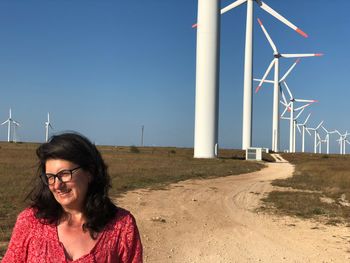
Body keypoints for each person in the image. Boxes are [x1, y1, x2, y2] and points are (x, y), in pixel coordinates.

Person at [2, 132, 143, 262]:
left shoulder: (123, 227)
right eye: (50, 177)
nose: (57, 185)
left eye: (64, 174)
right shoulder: (29, 222)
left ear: (90, 172)